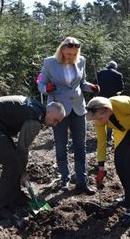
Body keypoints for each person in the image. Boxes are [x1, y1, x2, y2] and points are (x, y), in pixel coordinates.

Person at [0, 96, 65, 220]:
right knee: (12, 164)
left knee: (15, 162)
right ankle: (0, 209)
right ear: (49, 112)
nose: (55, 124)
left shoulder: (37, 108)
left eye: (58, 122)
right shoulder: (35, 119)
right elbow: (23, 148)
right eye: (55, 120)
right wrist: (23, 172)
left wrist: (22, 170)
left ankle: (15, 197)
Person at [38, 36, 99, 195]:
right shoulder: (50, 62)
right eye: (69, 54)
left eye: (74, 54)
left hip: (78, 108)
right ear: (62, 50)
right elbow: (41, 84)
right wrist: (47, 89)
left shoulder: (81, 61)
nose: (72, 57)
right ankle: (65, 179)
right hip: (59, 109)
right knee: (61, 145)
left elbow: (81, 83)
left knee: (81, 146)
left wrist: (91, 87)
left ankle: (81, 182)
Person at [86, 96, 130, 225]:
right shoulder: (99, 118)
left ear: (108, 110)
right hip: (128, 132)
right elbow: (101, 141)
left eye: (100, 118)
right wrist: (101, 166)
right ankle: (129, 196)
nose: (99, 121)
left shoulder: (122, 104)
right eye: (96, 119)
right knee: (119, 161)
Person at [96, 60, 124, 143]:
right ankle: (108, 136)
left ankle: (100, 135)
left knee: (100, 115)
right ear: (115, 67)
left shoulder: (100, 73)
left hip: (101, 97)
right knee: (111, 116)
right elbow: (121, 88)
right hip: (112, 98)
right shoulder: (118, 75)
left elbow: (95, 84)